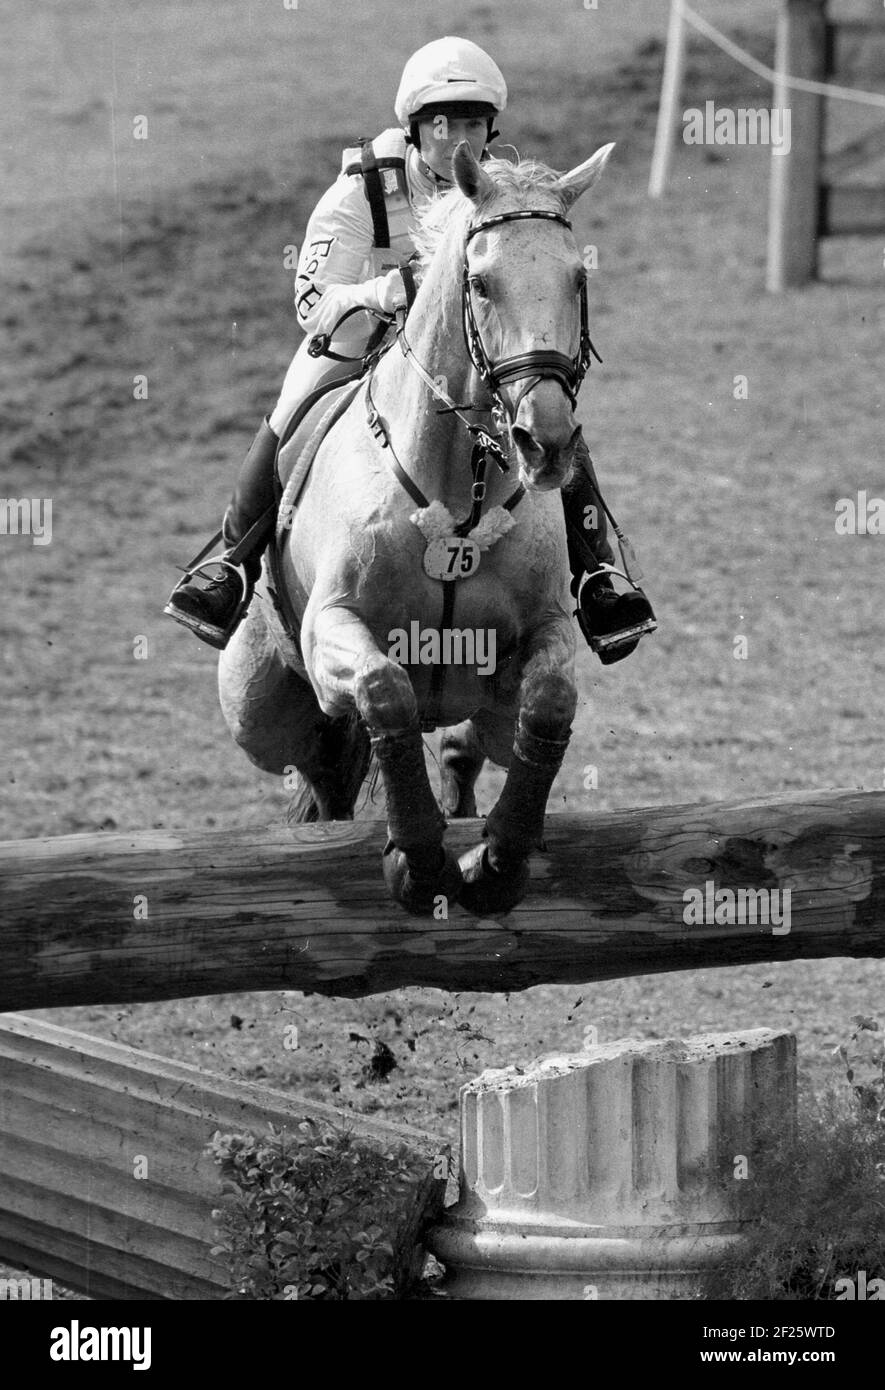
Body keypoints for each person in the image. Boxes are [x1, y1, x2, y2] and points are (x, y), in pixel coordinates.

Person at [164, 36, 653, 662]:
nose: (460, 143)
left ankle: (596, 577)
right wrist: (389, 292)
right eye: (444, 126)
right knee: (292, 410)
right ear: (415, 129)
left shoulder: (498, 192)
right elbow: (312, 303)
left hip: (460, 352)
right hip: (358, 340)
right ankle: (229, 566)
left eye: (474, 124)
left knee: (547, 413)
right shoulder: (362, 191)